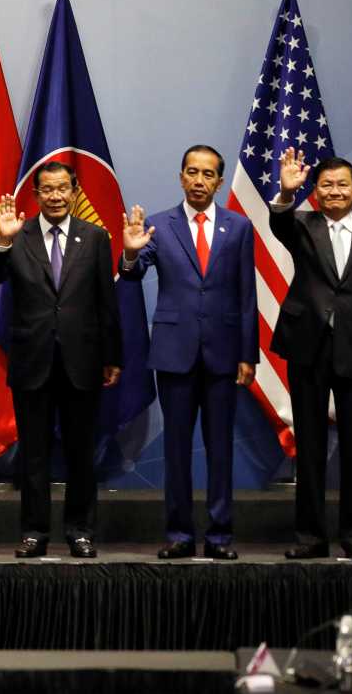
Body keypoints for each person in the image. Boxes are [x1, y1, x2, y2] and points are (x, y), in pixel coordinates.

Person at [0, 161, 121, 559]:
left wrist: (111, 356)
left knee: (80, 453)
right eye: (47, 190)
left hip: (83, 359)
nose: (55, 196)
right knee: (34, 454)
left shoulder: (94, 237)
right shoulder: (17, 234)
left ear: (74, 191)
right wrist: (2, 242)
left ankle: (80, 531)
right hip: (32, 360)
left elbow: (106, 303)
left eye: (62, 189)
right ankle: (34, 532)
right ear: (35, 194)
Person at [120, 145, 257, 560]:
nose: (199, 181)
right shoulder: (159, 226)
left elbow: (247, 296)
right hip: (174, 354)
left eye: (208, 174)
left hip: (223, 353)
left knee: (220, 449)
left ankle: (219, 537)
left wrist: (247, 355)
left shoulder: (239, 227)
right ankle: (179, 534)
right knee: (176, 449)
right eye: (192, 172)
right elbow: (133, 273)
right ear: (181, 177)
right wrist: (129, 251)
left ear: (218, 181)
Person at [269, 149, 352, 561]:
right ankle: (311, 538)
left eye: (343, 184)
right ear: (316, 191)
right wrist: (286, 192)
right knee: (309, 448)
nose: (335, 191)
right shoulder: (302, 225)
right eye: (326, 185)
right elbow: (278, 222)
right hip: (308, 348)